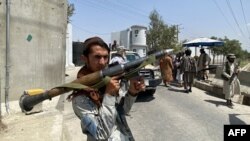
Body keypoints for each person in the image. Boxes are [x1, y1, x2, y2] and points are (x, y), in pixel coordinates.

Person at [70, 37, 145, 140]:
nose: (102, 62)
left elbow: (121, 112)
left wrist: (132, 92)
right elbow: (101, 134)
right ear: (85, 58)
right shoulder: (80, 97)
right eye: (97, 57)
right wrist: (109, 95)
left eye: (105, 57)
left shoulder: (107, 81)